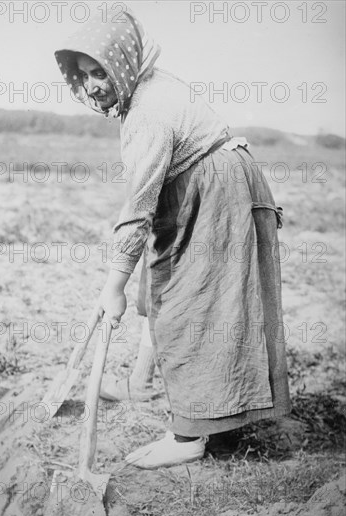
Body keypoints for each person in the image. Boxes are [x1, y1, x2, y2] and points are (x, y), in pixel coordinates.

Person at [55, 6, 291, 469]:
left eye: (100, 71)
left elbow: (138, 207)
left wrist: (111, 286)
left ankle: (189, 435)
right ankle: (142, 381)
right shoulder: (141, 89)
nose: (93, 86)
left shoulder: (148, 110)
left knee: (191, 303)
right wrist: (126, 279)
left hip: (218, 192)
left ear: (122, 61)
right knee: (160, 284)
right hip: (198, 184)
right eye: (83, 76)